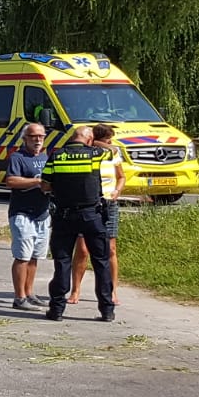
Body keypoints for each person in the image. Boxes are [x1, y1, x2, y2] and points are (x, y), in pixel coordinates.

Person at [42, 126, 114, 321]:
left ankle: (56, 310)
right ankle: (107, 311)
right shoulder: (94, 154)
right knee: (101, 262)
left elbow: (45, 185)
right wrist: (95, 142)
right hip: (91, 216)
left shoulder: (57, 156)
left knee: (62, 262)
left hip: (64, 216)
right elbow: (113, 151)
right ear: (89, 140)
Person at [69, 123, 125, 305]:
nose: (111, 142)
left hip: (108, 203)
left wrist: (118, 190)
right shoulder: (87, 154)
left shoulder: (113, 154)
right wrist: (99, 144)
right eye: (107, 139)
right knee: (83, 249)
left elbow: (121, 176)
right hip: (87, 204)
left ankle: (112, 291)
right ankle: (75, 290)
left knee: (110, 249)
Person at [3, 122, 51, 309]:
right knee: (22, 256)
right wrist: (38, 182)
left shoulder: (46, 157)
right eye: (33, 136)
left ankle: (30, 292)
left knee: (34, 256)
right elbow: (11, 181)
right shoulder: (18, 157)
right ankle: (19, 297)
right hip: (22, 213)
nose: (38, 140)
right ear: (25, 139)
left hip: (42, 213)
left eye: (41, 136)